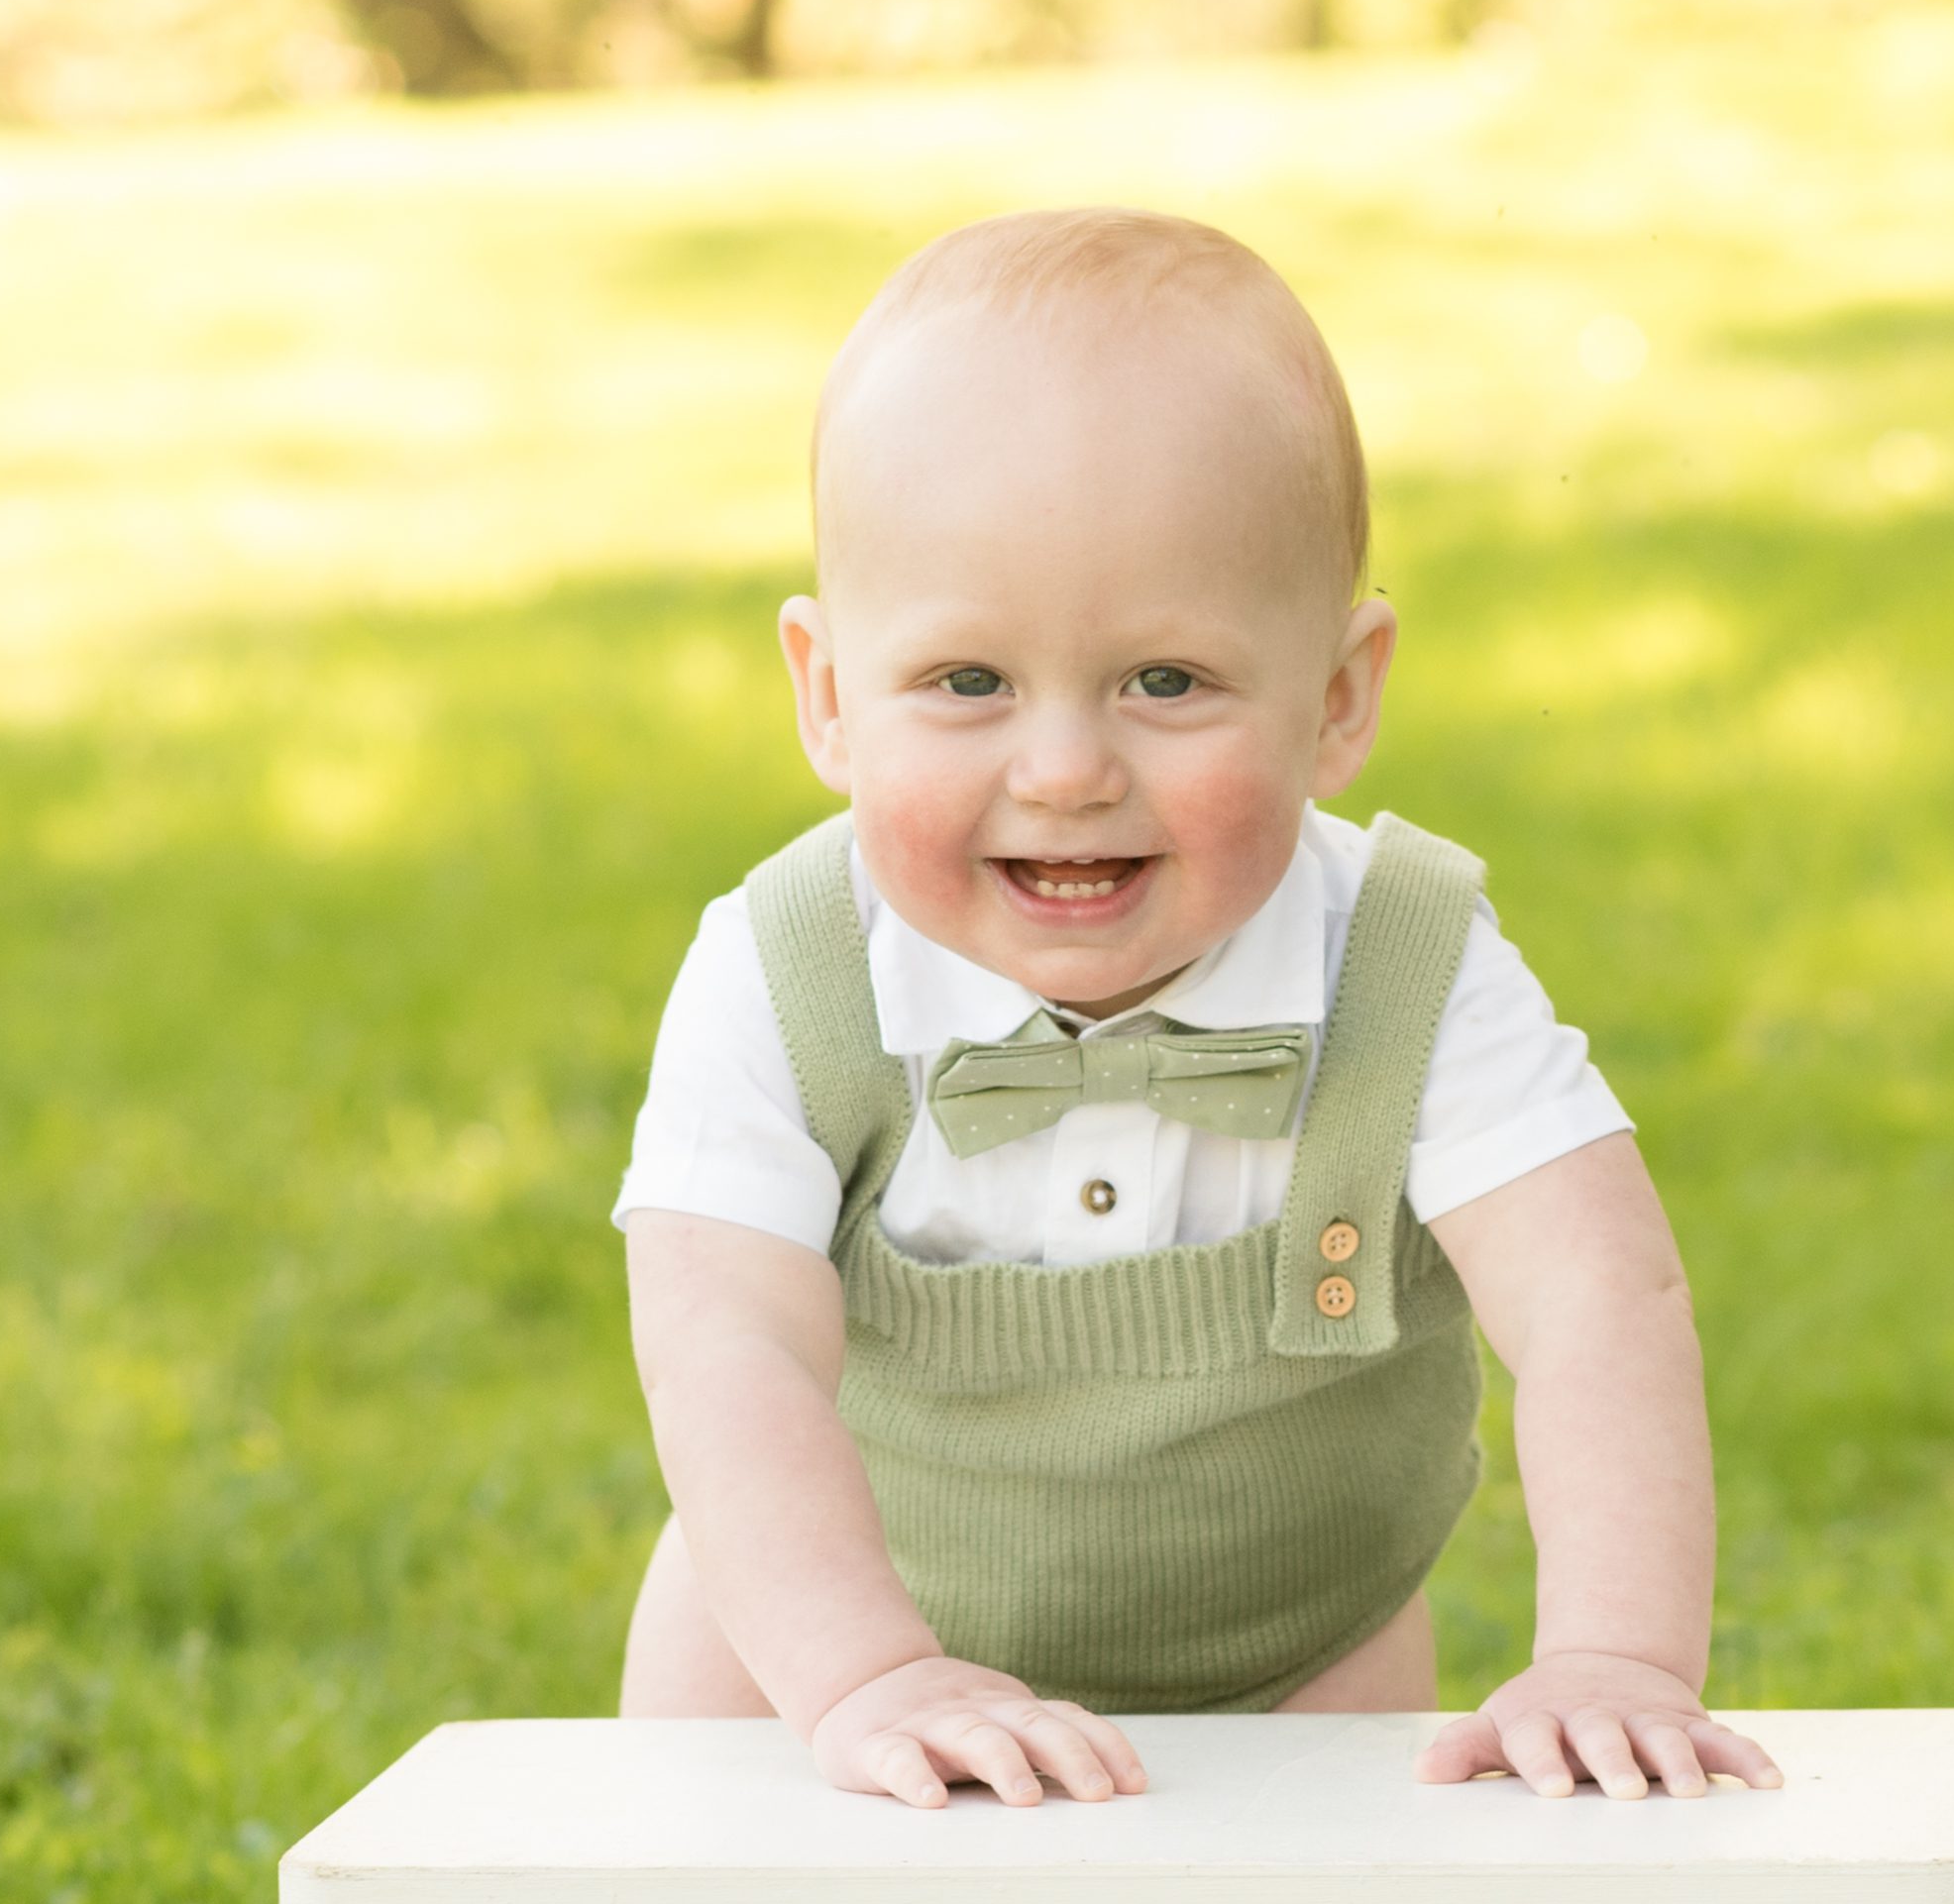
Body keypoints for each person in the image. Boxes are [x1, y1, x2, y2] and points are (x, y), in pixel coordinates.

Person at [609, 207, 1779, 1814]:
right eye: (968, 684)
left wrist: (1619, 1656)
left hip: (1293, 1644)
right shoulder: (786, 965)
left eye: (1164, 681)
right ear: (826, 696)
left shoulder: (1406, 960)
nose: (1068, 769)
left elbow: (1599, 1297)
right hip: (804, 1650)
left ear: (1339, 698)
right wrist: (867, 1675)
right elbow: (720, 1336)